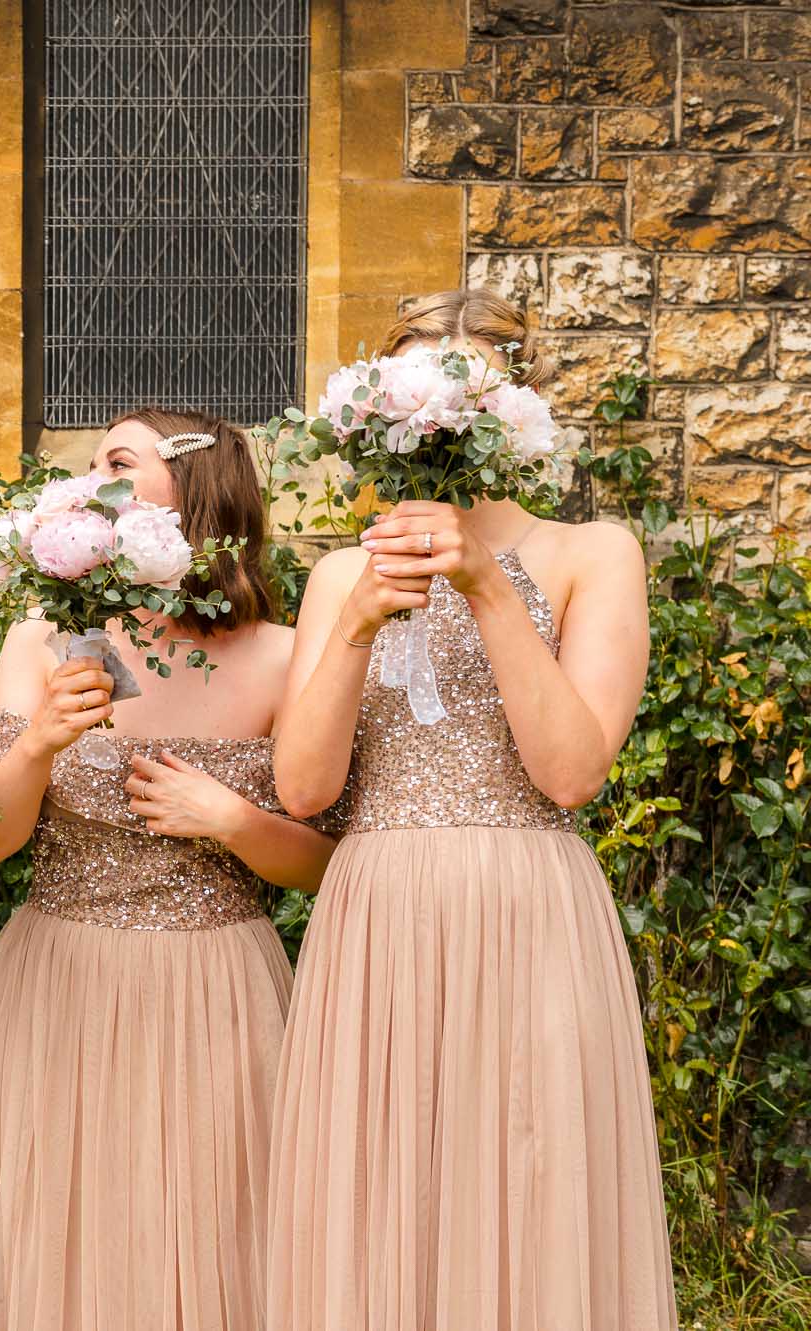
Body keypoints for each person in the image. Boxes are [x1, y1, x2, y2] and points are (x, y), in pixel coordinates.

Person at [266, 289, 676, 1330]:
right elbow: (303, 791)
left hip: (525, 909)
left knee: (531, 1187)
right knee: (379, 1200)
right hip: (376, 916)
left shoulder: (593, 552)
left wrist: (489, 589)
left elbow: (572, 771)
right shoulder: (335, 574)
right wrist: (356, 616)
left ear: (514, 404)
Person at [0, 408, 333, 1329]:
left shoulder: (288, 655)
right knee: (58, 1235)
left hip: (219, 990)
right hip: (61, 984)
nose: (92, 479)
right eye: (89, 465)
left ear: (195, 491)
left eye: (117, 463)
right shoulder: (40, 640)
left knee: (215, 1238)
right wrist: (39, 743)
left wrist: (235, 822)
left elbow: (328, 866)